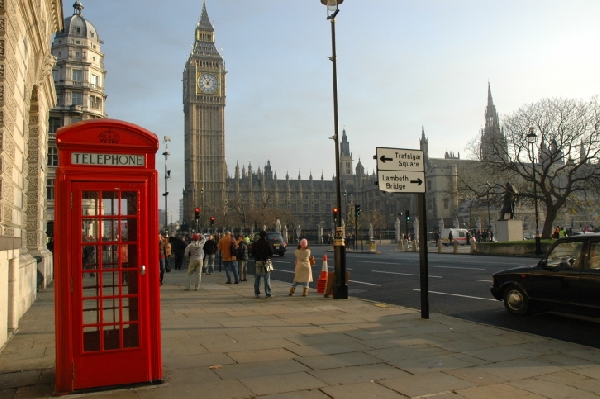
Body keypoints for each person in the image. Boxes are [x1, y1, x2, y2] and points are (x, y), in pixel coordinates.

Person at [252, 230, 274, 298]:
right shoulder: (268, 243)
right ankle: (268, 293)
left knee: (257, 277)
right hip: (266, 261)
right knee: (266, 278)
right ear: (265, 236)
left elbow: (253, 253)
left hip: (258, 261)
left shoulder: (255, 243)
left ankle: (256, 293)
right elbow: (272, 252)